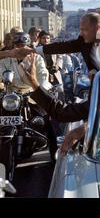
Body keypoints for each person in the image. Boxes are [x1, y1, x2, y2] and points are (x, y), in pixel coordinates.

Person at [0, 32, 57, 160]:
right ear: (13, 46)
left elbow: (43, 76)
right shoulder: (7, 60)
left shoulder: (37, 58)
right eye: (17, 45)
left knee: (46, 119)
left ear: (28, 46)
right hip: (11, 96)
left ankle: (55, 153)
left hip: (31, 94)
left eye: (23, 45)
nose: (20, 48)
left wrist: (39, 89)